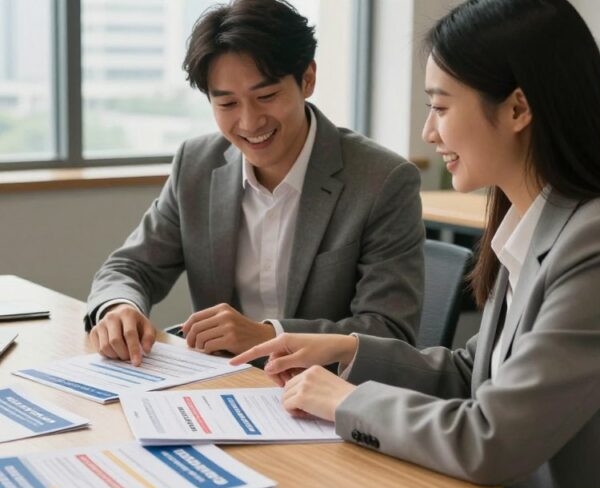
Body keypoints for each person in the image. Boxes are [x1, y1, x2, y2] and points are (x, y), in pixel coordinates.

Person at [231, 0, 600, 488]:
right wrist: (350, 351)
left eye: (440, 106)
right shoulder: (537, 221)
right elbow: (473, 372)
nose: (429, 131)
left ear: (517, 108)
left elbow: (494, 438)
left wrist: (346, 401)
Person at [85, 0, 425, 366]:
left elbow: (388, 331)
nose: (249, 122)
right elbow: (131, 267)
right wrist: (119, 307)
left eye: (266, 97)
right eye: (227, 104)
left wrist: (269, 336)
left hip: (325, 394)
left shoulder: (382, 180)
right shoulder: (197, 165)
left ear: (307, 79)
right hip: (220, 384)